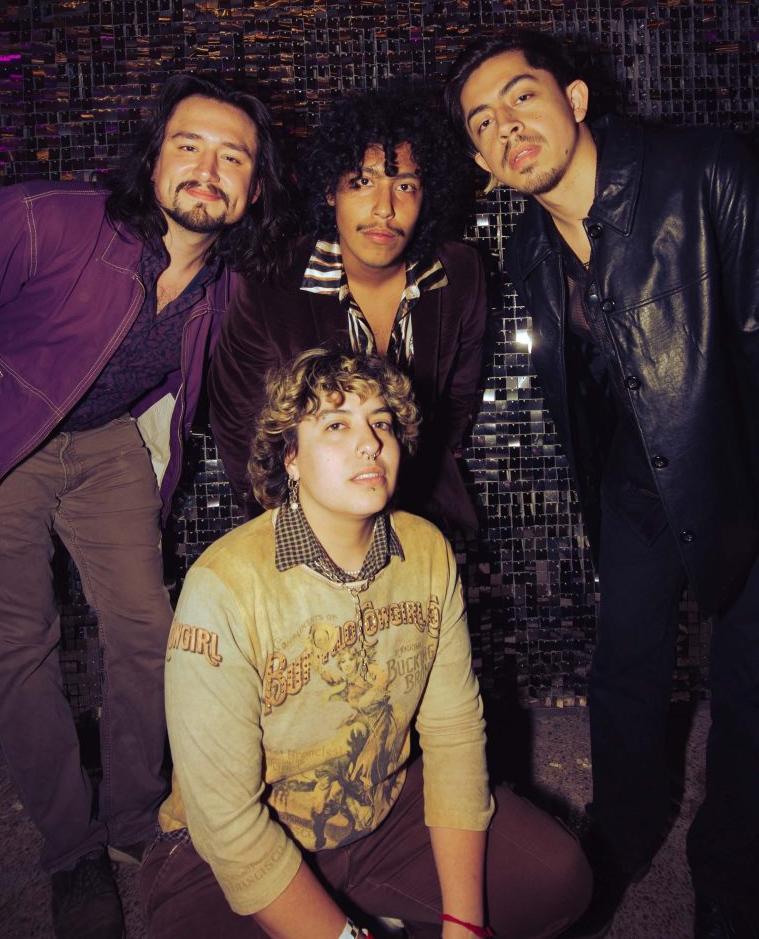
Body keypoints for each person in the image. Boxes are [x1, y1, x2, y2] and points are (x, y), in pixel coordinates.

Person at [444, 29, 759, 939]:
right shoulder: (531, 250)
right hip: (635, 478)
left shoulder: (706, 171)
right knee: (623, 667)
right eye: (483, 122)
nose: (507, 126)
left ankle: (731, 869)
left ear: (575, 100)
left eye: (521, 97)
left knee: (749, 688)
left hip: (744, 462)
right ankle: (623, 833)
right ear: (482, 162)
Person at [141, 347, 592, 939]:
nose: (371, 443)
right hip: (224, 849)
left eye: (381, 422)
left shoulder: (425, 550)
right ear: (290, 456)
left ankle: (386, 909)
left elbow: (454, 732)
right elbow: (227, 822)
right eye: (336, 424)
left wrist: (464, 924)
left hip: (379, 812)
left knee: (559, 881)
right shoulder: (223, 586)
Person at [0, 72, 291, 939]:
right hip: (7, 439)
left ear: (254, 187)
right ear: (153, 158)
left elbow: (230, 394)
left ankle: (134, 818)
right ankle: (71, 850)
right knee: (20, 645)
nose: (209, 170)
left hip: (108, 445)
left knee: (152, 633)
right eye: (189, 146)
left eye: (233, 157)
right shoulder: (43, 220)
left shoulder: (224, 286)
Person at [208, 87, 486, 532]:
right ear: (330, 190)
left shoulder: (461, 274)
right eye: (362, 182)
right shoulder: (272, 281)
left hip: (424, 513)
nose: (384, 208)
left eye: (405, 186)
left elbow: (456, 399)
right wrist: (294, 522)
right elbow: (239, 423)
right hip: (307, 519)